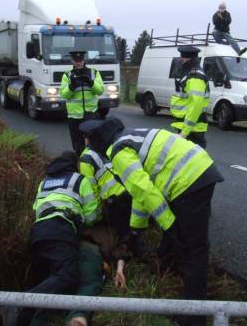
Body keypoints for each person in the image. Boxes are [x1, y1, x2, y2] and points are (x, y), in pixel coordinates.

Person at [79, 116, 224, 326]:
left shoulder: (119, 152)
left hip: (189, 181)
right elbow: (140, 195)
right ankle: (171, 273)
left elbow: (144, 191)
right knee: (178, 239)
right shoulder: (131, 138)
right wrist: (136, 231)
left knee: (194, 250)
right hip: (198, 169)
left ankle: (194, 317)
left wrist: (170, 224)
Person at [0, 151, 100, 326]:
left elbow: (36, 209)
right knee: (68, 275)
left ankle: (22, 318)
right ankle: (18, 303)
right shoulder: (79, 179)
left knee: (48, 280)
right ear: (74, 165)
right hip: (60, 228)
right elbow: (92, 215)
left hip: (38, 231)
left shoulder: (44, 183)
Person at [60, 51, 105, 155]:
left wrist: (91, 83)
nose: (78, 63)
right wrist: (71, 87)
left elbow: (100, 91)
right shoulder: (67, 75)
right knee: (77, 145)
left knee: (92, 144)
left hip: (91, 113)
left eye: (80, 60)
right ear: (72, 61)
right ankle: (80, 165)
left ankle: (92, 164)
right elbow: (63, 95)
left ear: (84, 60)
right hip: (74, 115)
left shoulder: (94, 73)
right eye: (76, 61)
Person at [170, 46, 210, 148]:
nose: (180, 60)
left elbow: (196, 104)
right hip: (189, 128)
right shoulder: (190, 73)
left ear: (188, 59)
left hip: (191, 130)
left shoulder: (194, 76)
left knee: (192, 162)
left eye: (182, 57)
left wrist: (184, 133)